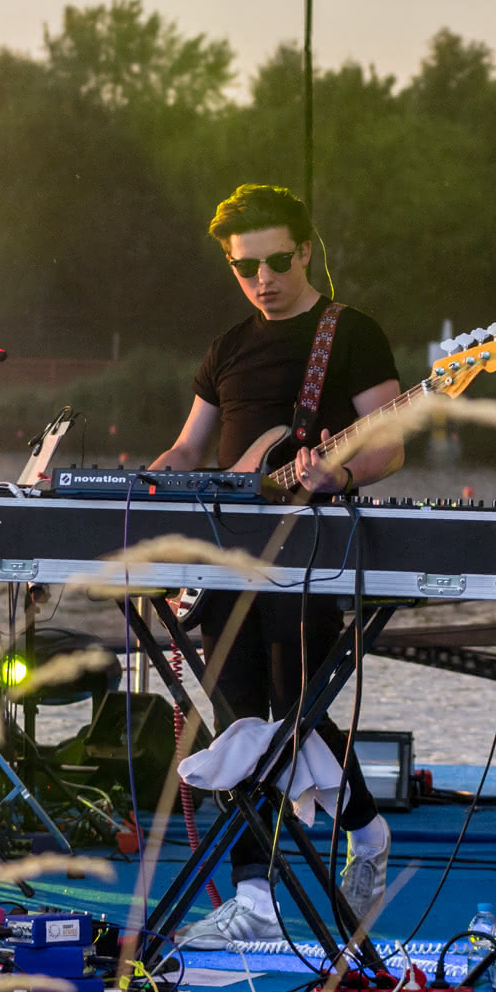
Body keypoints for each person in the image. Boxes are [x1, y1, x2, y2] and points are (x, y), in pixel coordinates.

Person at [151, 183, 403, 948]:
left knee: (295, 712)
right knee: (238, 721)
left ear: (306, 250)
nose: (262, 279)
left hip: (308, 554)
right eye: (244, 267)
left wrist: (342, 473)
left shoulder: (349, 333)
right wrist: (136, 490)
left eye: (276, 262)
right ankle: (255, 897)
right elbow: (188, 449)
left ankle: (365, 831)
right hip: (225, 556)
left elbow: (390, 444)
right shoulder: (228, 347)